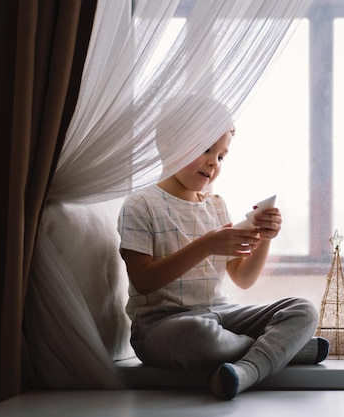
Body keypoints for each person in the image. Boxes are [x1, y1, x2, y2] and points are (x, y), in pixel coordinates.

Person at [117, 97, 328, 400]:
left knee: (302, 310)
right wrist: (205, 245)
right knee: (198, 336)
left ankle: (246, 371)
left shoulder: (216, 207)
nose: (214, 162)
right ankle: (281, 348)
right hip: (162, 327)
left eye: (221, 156)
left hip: (221, 313)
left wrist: (265, 237)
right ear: (168, 143)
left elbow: (242, 278)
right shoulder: (139, 204)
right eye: (205, 150)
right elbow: (144, 280)